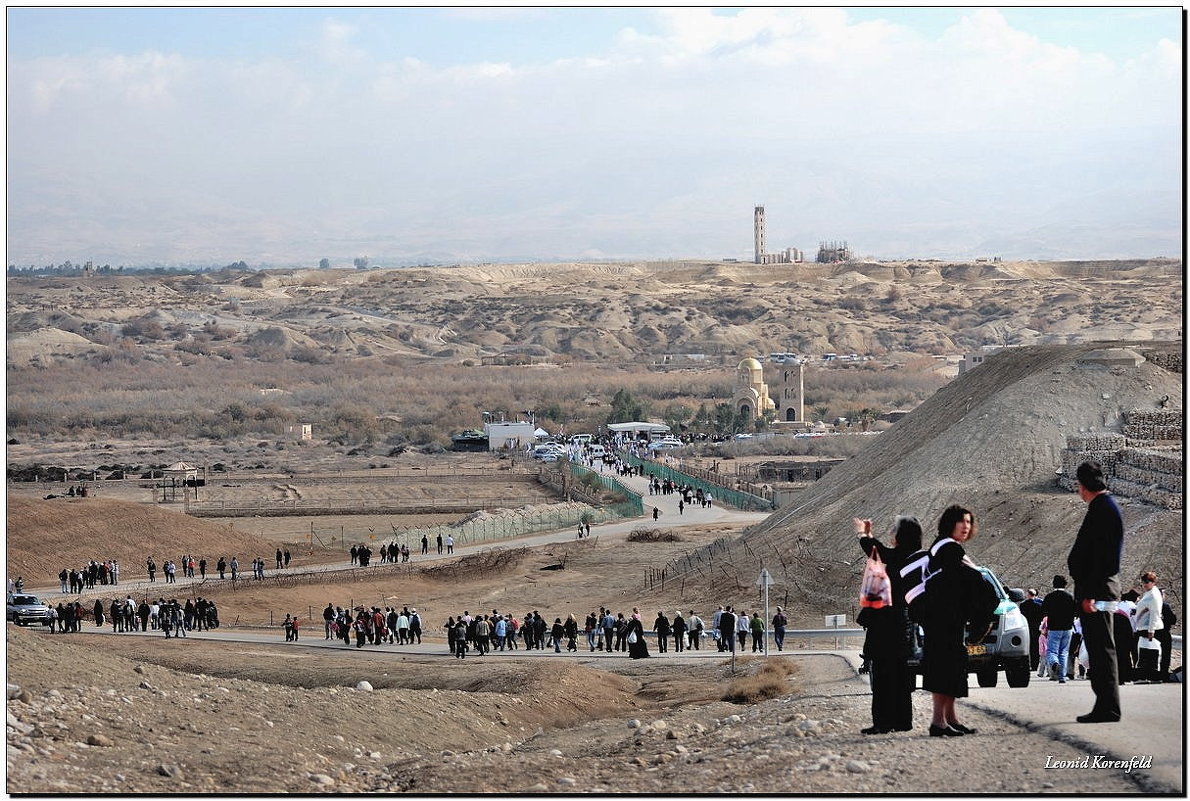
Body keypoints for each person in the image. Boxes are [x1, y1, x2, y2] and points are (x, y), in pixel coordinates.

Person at [921, 505, 990, 737]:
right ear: (950, 522)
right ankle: (938, 722)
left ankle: (950, 718)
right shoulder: (948, 549)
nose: (966, 526)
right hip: (943, 620)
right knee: (944, 668)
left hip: (947, 619)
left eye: (969, 522)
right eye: (962, 521)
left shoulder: (947, 547)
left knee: (952, 667)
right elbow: (960, 581)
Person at [1067, 460, 1124, 724]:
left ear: (1083, 486)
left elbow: (1105, 559)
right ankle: (1104, 704)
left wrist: (1089, 593)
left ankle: (1108, 707)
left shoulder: (1103, 510)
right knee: (1099, 649)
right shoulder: (1102, 507)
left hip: (1097, 593)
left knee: (1101, 651)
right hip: (1096, 591)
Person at [855, 514, 922, 734]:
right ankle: (903, 721)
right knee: (901, 674)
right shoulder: (915, 559)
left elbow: (875, 550)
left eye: (894, 530)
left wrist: (864, 533)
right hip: (904, 623)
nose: (891, 534)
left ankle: (882, 722)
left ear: (900, 536)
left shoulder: (896, 558)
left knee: (883, 674)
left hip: (885, 624)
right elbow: (880, 551)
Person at [1041, 575, 1078, 684]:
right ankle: (1062, 677)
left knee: (1051, 651)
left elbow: (1043, 611)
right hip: (1067, 628)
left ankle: (1054, 663)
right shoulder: (1070, 597)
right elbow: (1076, 612)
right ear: (1065, 584)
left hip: (1054, 628)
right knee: (1064, 652)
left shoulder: (1049, 597)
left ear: (1053, 584)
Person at [1132, 571, 1164, 683]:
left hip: (1149, 628)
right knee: (1146, 651)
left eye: (1147, 582)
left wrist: (1151, 630)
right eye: (1143, 582)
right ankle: (1146, 676)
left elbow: (1155, 613)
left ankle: (1148, 676)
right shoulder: (1148, 593)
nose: (1144, 584)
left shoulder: (1154, 595)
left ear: (1153, 582)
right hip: (1143, 627)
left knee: (1149, 652)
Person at [1019, 588, 1044, 672]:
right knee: (1035, 648)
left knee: (1026, 647)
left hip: (1026, 628)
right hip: (1037, 628)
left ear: (1028, 595)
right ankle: (1035, 665)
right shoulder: (1039, 605)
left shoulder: (1023, 605)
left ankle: (1026, 664)